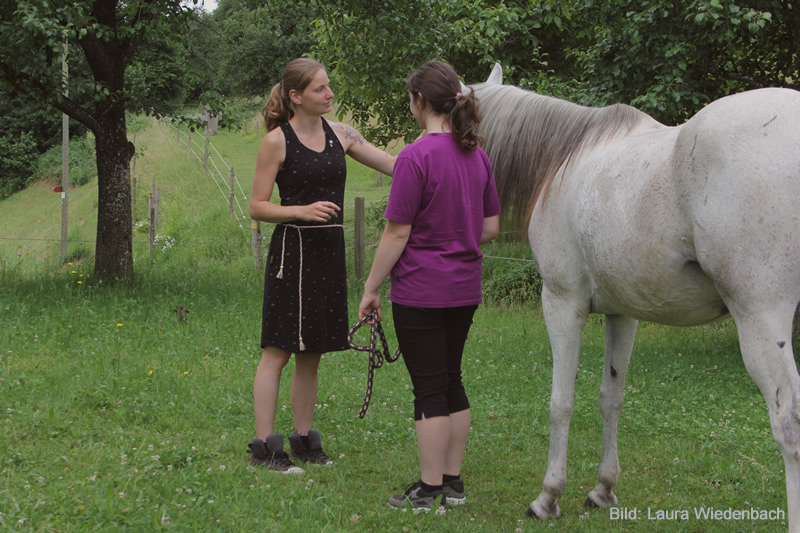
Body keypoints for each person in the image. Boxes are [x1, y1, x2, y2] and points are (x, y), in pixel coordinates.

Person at [359, 61, 500, 511]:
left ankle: (428, 488)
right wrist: (457, 237)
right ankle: (453, 484)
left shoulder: (414, 158)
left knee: (429, 388)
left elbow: (397, 233)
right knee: (451, 379)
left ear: (421, 101)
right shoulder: (477, 155)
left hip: (422, 291)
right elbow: (492, 226)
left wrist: (370, 287)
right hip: (464, 289)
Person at [248, 58, 395, 473]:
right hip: (290, 256)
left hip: (328, 254)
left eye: (329, 87)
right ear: (296, 97)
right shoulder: (277, 141)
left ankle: (304, 440)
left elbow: (395, 165)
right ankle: (263, 446)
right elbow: (257, 207)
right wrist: (301, 210)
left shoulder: (343, 134)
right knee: (277, 351)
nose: (330, 94)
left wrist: (441, 146)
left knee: (312, 353)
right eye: (320, 89)